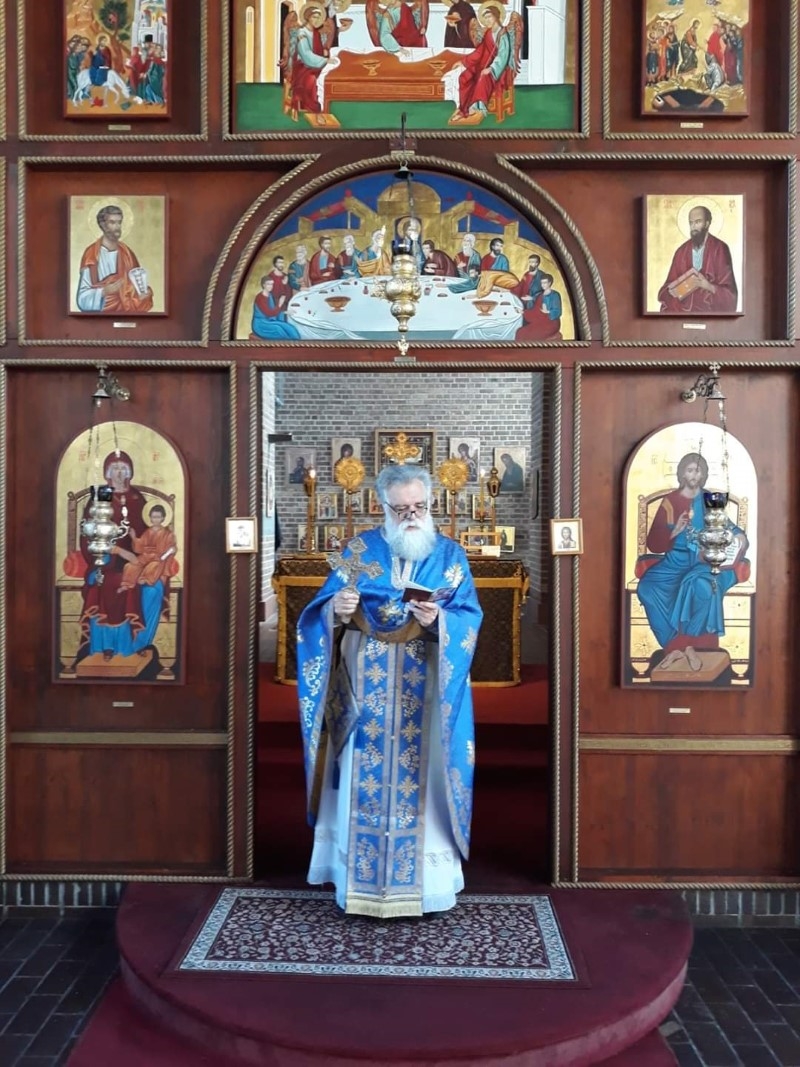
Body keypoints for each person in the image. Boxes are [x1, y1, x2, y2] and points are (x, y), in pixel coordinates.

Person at [296, 464, 483, 918]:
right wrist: (337, 610)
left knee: (424, 777)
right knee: (359, 771)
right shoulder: (358, 550)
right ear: (383, 507)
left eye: (419, 507)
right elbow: (317, 617)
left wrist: (440, 621)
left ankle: (425, 884)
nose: (412, 516)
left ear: (431, 504)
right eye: (401, 509)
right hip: (365, 686)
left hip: (425, 687)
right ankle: (358, 881)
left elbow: (469, 618)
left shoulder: (450, 555)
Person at [637, 453, 748, 675]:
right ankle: (676, 647)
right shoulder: (670, 502)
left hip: (703, 561)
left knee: (700, 586)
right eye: (689, 470)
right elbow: (653, 543)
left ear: (703, 474)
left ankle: (691, 648)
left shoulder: (710, 499)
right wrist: (674, 531)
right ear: (682, 474)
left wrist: (739, 536)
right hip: (674, 561)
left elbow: (728, 526)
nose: (694, 475)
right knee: (647, 588)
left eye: (698, 471)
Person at [657, 205, 738, 315]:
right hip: (683, 311)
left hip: (709, 310)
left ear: (707, 223)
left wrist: (708, 286)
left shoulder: (719, 248)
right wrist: (672, 291)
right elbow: (666, 289)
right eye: (691, 223)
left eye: (698, 222)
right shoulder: (681, 251)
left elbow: (730, 294)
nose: (693, 227)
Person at [76, 204, 154, 314]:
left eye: (119, 222)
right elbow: (82, 299)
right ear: (103, 225)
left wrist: (143, 294)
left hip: (127, 315)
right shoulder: (91, 255)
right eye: (112, 222)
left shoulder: (127, 254)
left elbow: (136, 289)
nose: (117, 227)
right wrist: (104, 291)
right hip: (99, 318)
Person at [116, 504, 179, 591]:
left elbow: (172, 548)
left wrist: (168, 553)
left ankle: (145, 579)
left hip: (158, 558)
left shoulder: (168, 534)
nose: (155, 519)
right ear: (150, 518)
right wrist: (134, 537)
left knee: (152, 566)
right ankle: (126, 584)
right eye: (153, 517)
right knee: (130, 566)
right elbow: (139, 548)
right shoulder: (147, 532)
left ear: (163, 518)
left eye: (158, 517)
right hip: (145, 557)